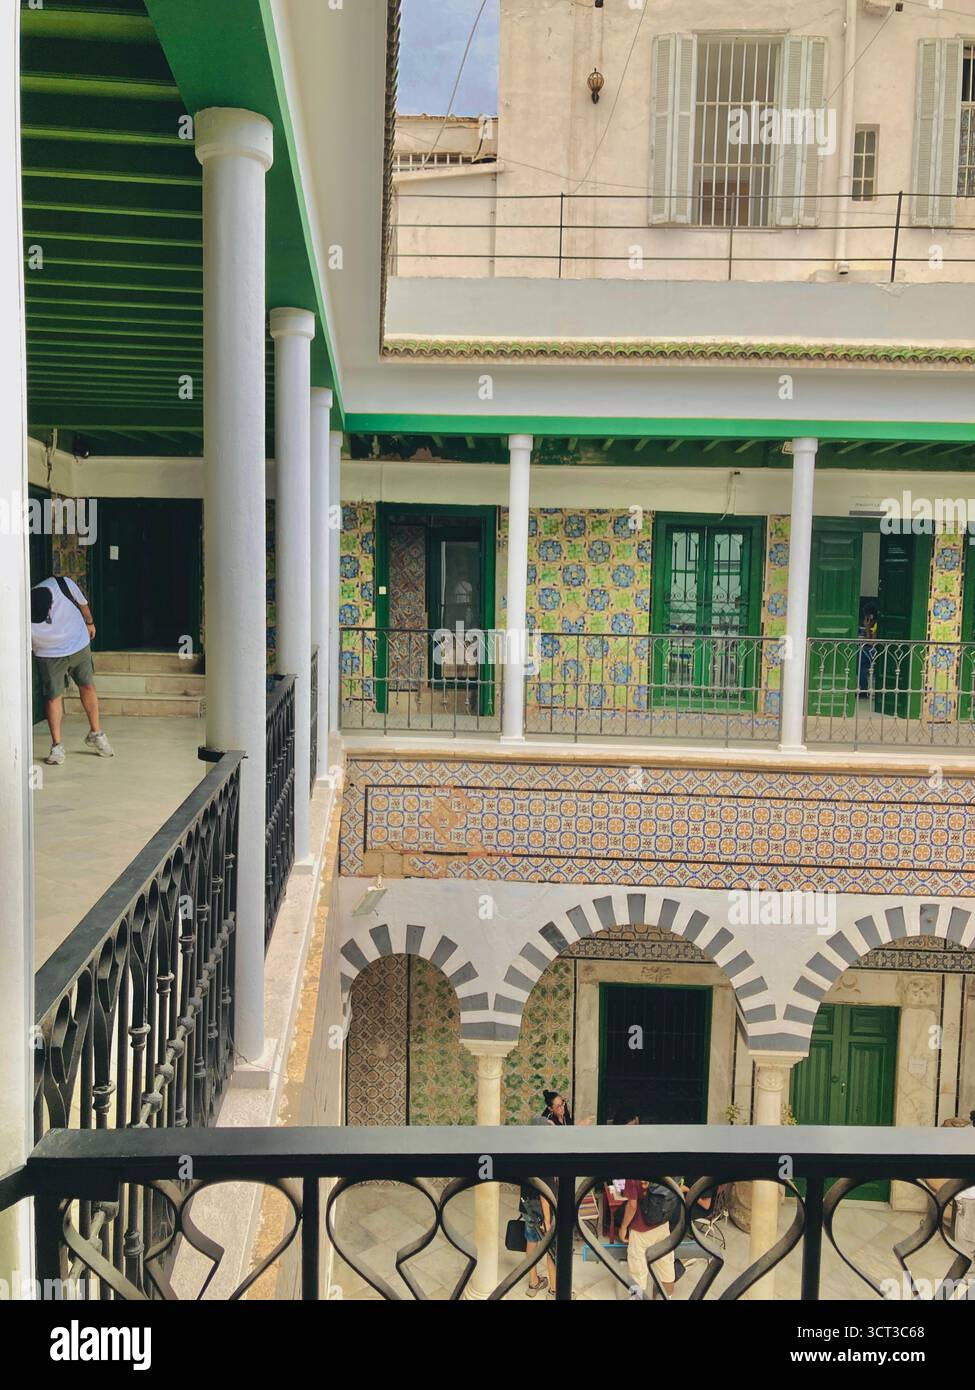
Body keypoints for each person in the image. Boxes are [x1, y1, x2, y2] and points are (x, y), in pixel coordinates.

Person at [31, 576, 113, 765]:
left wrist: (90, 622)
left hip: (78, 643)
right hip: (48, 654)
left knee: (88, 686)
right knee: (53, 696)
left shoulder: (63, 585)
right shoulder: (24, 610)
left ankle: (96, 733)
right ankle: (57, 746)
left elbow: (83, 604)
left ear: (52, 602)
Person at [619, 1179, 678, 1300]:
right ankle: (667, 1297)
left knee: (637, 1273)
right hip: (663, 1225)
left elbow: (632, 1206)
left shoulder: (633, 1174)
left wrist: (623, 1227)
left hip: (641, 1231)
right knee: (666, 1267)